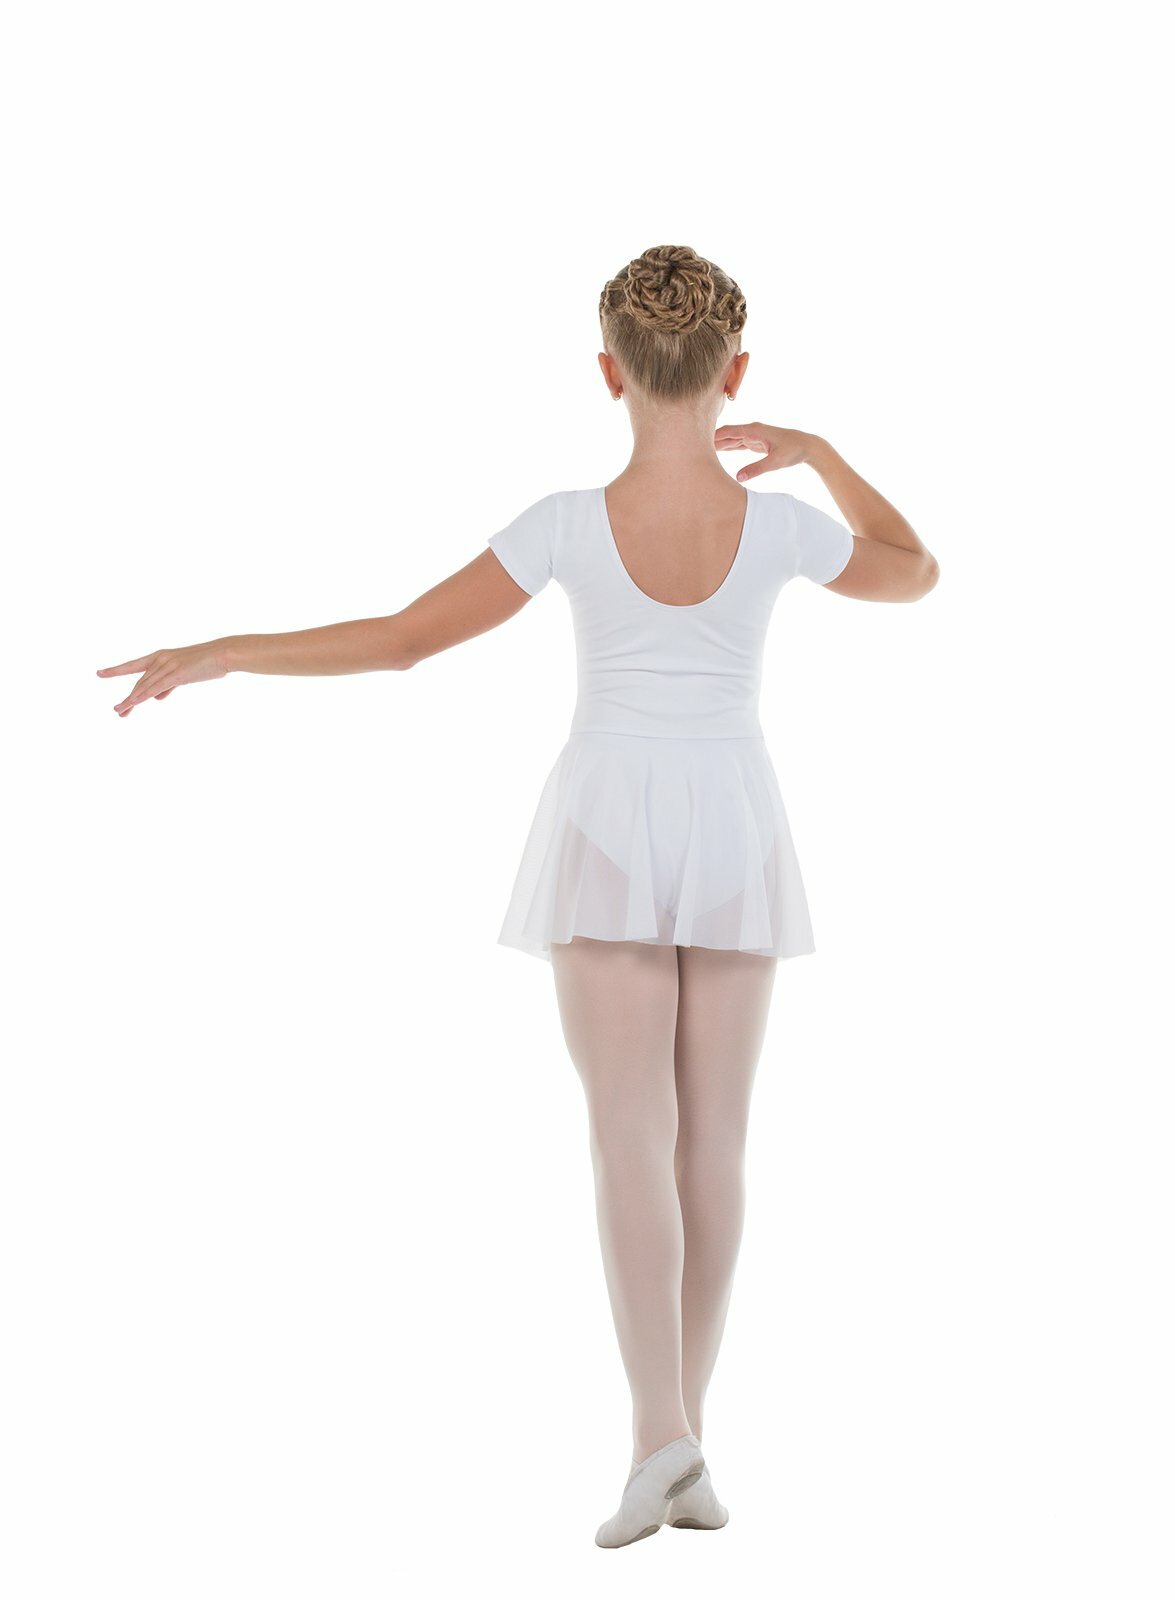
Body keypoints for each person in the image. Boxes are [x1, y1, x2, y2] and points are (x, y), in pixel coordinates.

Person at [97, 243, 938, 1549]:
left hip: (606, 824)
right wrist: (819, 451)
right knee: (713, 1141)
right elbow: (913, 567)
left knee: (628, 1134)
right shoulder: (780, 526)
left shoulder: (563, 522)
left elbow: (399, 643)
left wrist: (225, 652)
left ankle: (662, 1440)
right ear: (737, 375)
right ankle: (680, 1443)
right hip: (733, 818)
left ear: (609, 372)